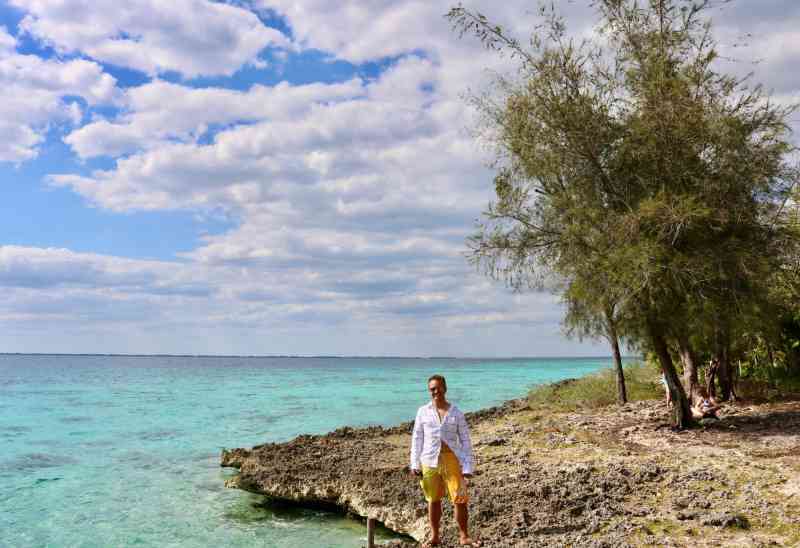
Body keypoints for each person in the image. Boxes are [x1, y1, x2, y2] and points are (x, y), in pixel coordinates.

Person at [409, 374, 481, 547]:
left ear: (445, 388)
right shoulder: (422, 411)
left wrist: (468, 466)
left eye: (438, 387)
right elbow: (417, 438)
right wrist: (414, 463)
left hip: (451, 459)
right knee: (433, 500)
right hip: (428, 460)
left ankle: (464, 536)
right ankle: (434, 537)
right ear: (429, 391)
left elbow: (465, 440)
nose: (436, 391)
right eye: (432, 389)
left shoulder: (456, 412)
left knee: (460, 498)